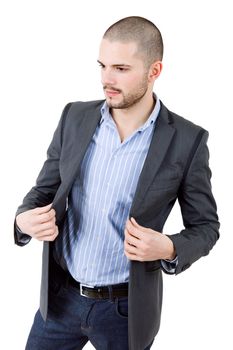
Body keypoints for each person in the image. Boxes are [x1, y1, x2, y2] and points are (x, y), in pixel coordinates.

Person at [14, 16, 220, 350]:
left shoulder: (187, 140)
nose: (107, 79)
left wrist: (168, 247)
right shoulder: (74, 117)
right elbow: (42, 192)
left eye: (121, 69)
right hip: (60, 299)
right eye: (103, 66)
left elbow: (206, 227)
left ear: (154, 71)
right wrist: (22, 221)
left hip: (125, 310)